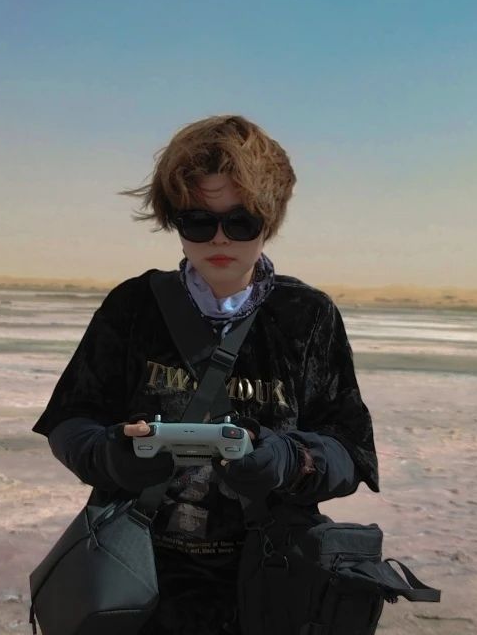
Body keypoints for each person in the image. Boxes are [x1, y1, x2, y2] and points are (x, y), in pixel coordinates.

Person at [31, 115, 379, 635]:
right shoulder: (133, 306)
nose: (219, 238)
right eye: (197, 221)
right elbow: (70, 420)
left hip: (268, 583)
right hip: (140, 579)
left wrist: (288, 460)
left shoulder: (307, 316)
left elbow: (350, 451)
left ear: (270, 220)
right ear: (173, 219)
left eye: (241, 222)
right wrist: (109, 454)